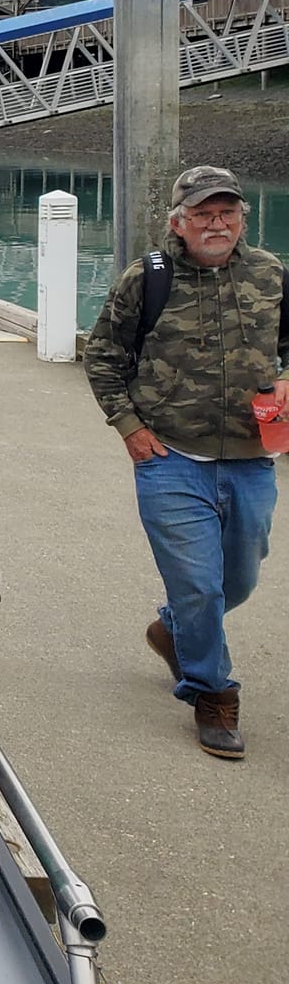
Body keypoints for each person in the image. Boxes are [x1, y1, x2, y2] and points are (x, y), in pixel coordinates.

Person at [83, 165, 288, 761]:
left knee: (238, 580)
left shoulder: (272, 274)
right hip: (169, 456)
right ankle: (213, 693)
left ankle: (172, 630)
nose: (216, 223)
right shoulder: (146, 278)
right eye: (202, 214)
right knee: (198, 584)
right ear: (178, 222)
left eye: (227, 212)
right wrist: (130, 427)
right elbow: (103, 355)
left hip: (252, 456)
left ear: (243, 217)